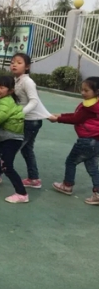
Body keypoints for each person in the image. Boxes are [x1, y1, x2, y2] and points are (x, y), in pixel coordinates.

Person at [49, 76, 99, 205]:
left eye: (86, 90)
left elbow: (76, 119)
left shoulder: (90, 107)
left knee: (71, 161)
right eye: (82, 89)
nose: (82, 93)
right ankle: (98, 193)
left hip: (86, 141)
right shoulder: (95, 104)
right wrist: (61, 115)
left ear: (97, 91)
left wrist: (58, 119)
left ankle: (67, 185)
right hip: (95, 142)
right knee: (93, 168)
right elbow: (77, 116)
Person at [11, 53, 50, 189]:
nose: (14, 65)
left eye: (19, 62)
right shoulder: (17, 80)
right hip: (28, 120)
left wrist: (20, 113)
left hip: (30, 121)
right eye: (12, 62)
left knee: (12, 147)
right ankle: (34, 179)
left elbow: (34, 101)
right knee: (27, 150)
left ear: (27, 67)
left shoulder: (27, 82)